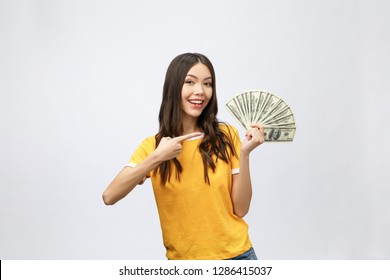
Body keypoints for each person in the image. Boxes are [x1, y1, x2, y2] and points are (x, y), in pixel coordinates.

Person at [102, 53, 264, 260]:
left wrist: (245, 153)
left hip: (236, 258)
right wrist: (157, 157)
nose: (200, 91)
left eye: (207, 84)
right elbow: (109, 196)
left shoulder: (226, 135)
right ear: (173, 87)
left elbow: (241, 209)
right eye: (189, 82)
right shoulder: (153, 146)